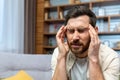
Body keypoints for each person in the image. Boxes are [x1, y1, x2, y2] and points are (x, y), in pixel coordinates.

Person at [51, 6, 120, 80]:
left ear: (95, 31)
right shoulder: (59, 53)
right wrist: (61, 57)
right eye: (71, 31)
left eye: (81, 30)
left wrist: (94, 58)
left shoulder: (111, 58)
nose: (75, 37)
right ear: (64, 32)